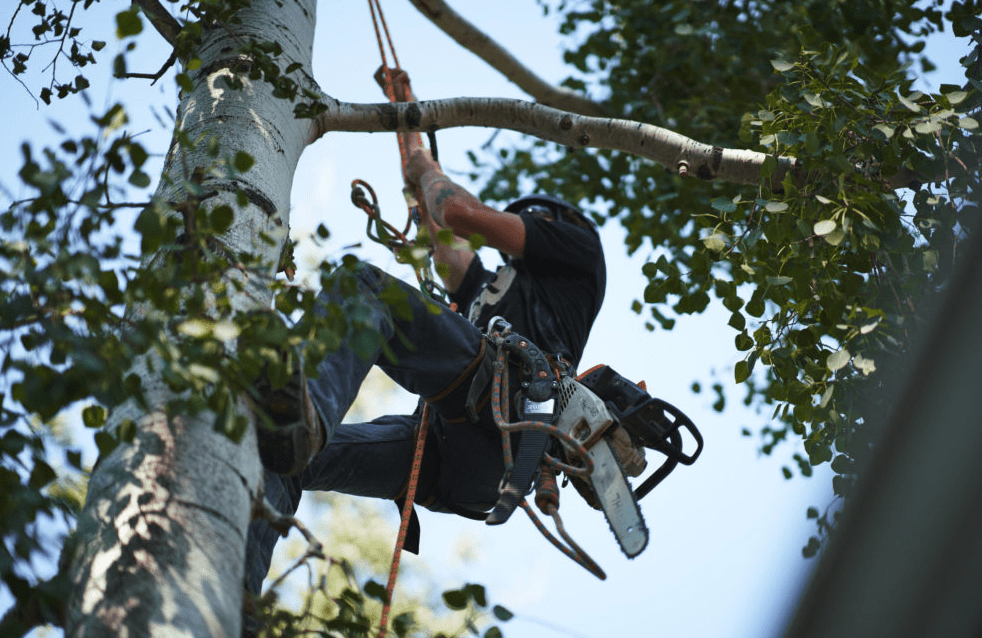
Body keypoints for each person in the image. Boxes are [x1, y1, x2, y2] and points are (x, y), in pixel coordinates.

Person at [243, 144, 607, 599]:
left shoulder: (577, 248)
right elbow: (447, 244)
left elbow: (457, 212)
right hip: (463, 462)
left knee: (364, 287)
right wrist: (412, 138)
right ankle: (236, 596)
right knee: (281, 457)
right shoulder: (489, 291)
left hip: (508, 407)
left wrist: (429, 170)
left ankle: (307, 409)